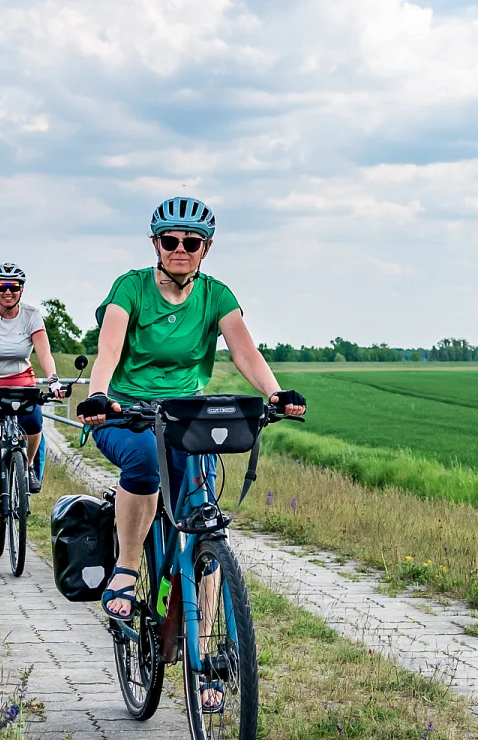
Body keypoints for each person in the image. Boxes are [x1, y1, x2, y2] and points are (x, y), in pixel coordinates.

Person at [76, 197, 306, 710]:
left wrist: (274, 393)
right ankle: (129, 564)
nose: (181, 250)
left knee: (206, 527)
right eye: (171, 242)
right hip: (125, 410)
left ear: (205, 250)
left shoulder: (215, 296)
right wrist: (99, 393)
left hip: (184, 416)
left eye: (191, 243)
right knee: (144, 462)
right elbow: (109, 346)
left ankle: (205, 659)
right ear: (156, 245)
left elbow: (244, 349)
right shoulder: (129, 288)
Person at [0, 263, 63, 544]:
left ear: (21, 290)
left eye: (13, 287)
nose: (7, 292)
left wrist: (52, 379)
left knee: (34, 423)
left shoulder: (31, 315)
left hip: (21, 382)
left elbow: (44, 351)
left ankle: (26, 466)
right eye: (2, 287)